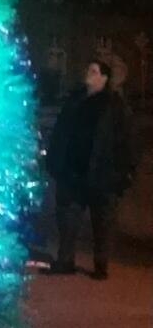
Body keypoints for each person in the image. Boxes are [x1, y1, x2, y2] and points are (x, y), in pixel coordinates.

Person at [44, 58, 134, 279]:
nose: (88, 73)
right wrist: (55, 161)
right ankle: (65, 260)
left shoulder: (114, 106)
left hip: (101, 174)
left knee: (102, 222)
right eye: (88, 69)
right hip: (72, 172)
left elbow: (125, 141)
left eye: (94, 71)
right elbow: (61, 132)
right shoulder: (75, 100)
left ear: (104, 78)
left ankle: (101, 265)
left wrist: (123, 173)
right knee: (67, 219)